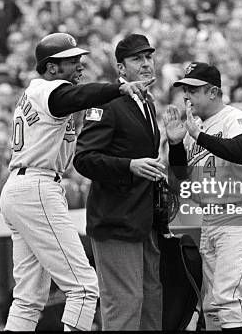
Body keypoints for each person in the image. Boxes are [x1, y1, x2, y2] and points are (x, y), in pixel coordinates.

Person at [0, 32, 154, 331]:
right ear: (52, 67)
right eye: (71, 61)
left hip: (23, 187)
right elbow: (79, 96)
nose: (79, 65)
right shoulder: (49, 90)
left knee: (29, 298)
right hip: (37, 186)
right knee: (84, 288)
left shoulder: (42, 92)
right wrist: (118, 90)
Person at [164, 62, 242, 331]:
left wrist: (198, 135)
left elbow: (240, 151)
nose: (186, 96)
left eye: (193, 90)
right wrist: (176, 144)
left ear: (213, 92)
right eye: (184, 89)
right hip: (211, 216)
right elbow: (180, 177)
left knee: (227, 296)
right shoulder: (192, 127)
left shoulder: (235, 118)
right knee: (210, 304)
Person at [74, 33, 165, 331]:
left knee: (151, 304)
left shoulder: (147, 103)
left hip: (144, 220)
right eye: (137, 59)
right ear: (121, 68)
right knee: (125, 305)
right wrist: (130, 166)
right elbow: (84, 158)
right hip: (115, 221)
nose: (146, 64)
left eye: (148, 57)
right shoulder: (109, 102)